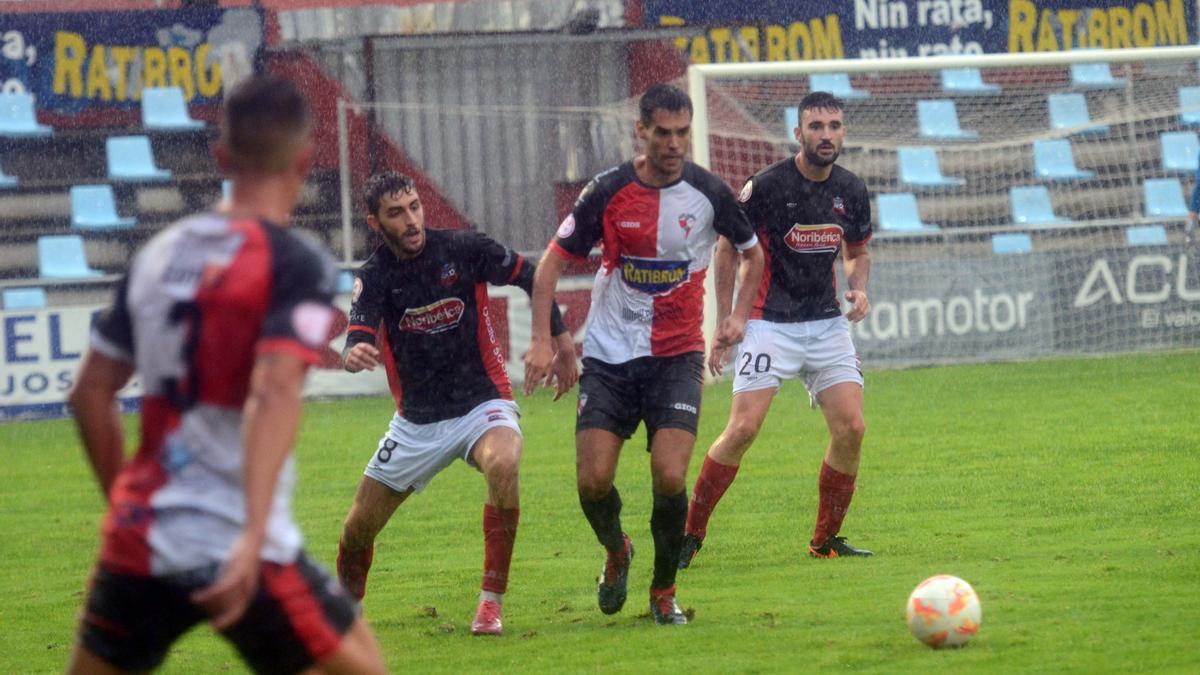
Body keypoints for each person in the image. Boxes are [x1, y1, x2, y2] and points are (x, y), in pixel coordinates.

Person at [66, 75, 387, 674]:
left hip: (141, 540)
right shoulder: (296, 262)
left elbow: (89, 394)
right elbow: (272, 390)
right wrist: (250, 536)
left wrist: (127, 510)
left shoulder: (158, 253)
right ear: (304, 160)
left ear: (221, 157)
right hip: (239, 544)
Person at [523, 84, 764, 625]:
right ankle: (616, 551)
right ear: (642, 131)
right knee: (592, 482)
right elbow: (549, 267)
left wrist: (738, 316)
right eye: (663, 132)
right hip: (609, 356)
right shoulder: (606, 191)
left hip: (676, 356)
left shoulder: (710, 193)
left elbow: (753, 254)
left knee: (670, 477)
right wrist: (544, 338)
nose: (674, 143)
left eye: (683, 132)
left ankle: (663, 591)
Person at [335, 171, 577, 637]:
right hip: (416, 424)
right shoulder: (375, 276)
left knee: (503, 463)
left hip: (481, 404)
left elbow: (533, 274)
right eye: (395, 213)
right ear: (374, 222)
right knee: (356, 530)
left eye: (414, 207)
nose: (410, 221)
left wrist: (558, 339)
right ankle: (346, 617)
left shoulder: (464, 250)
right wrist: (353, 354)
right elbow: (358, 334)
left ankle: (490, 605)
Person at [678, 91, 874, 570]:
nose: (826, 135)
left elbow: (857, 251)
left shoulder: (851, 189)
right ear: (798, 133)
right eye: (816, 126)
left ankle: (825, 540)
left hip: (827, 324)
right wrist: (727, 318)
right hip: (769, 324)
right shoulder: (764, 186)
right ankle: (688, 535)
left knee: (852, 428)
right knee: (743, 429)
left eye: (833, 126)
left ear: (843, 132)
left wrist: (859, 288)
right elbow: (727, 249)